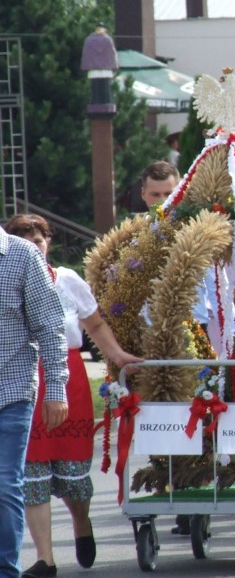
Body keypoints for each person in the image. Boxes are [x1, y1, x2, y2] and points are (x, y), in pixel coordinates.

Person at [5, 215, 141, 578]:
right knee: (30, 476)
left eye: (40, 237)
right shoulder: (8, 276)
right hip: (23, 377)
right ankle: (46, 559)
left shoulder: (66, 279)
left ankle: (81, 522)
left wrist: (118, 357)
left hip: (68, 378)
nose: (35, 243)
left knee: (72, 476)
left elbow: (94, 324)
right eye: (25, 237)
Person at [0, 225, 67, 578]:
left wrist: (56, 389)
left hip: (10, 392)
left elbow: (50, 325)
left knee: (3, 483)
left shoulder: (22, 255)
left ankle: (5, 570)